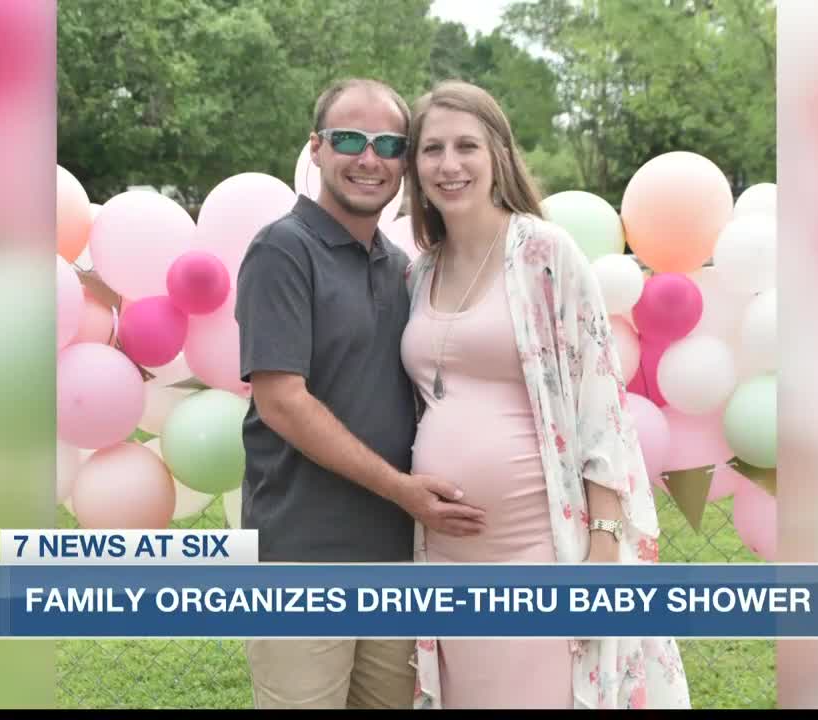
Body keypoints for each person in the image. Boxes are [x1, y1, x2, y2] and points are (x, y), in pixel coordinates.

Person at [399, 80, 692, 709]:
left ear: (498, 154)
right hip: (446, 559)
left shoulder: (543, 254)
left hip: (539, 547)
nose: (449, 164)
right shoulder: (419, 272)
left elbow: (600, 406)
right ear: (415, 166)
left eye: (466, 146)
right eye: (432, 149)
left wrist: (604, 547)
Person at [233, 78, 488, 710]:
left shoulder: (400, 265)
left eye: (388, 144)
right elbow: (283, 402)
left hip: (396, 557)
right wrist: (403, 490)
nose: (368, 158)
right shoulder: (281, 250)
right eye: (349, 139)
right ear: (316, 149)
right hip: (303, 561)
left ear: (404, 162)